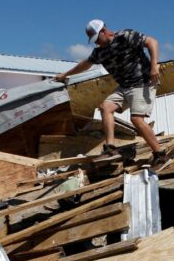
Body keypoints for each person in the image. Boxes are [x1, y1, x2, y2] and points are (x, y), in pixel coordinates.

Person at [55, 19, 167, 165]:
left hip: (143, 82)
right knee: (105, 107)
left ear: (104, 31)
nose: (97, 43)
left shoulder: (125, 36)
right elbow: (85, 64)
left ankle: (159, 153)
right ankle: (110, 148)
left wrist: (154, 65)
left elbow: (152, 42)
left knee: (136, 119)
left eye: (97, 39)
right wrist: (65, 75)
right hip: (125, 86)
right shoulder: (99, 52)